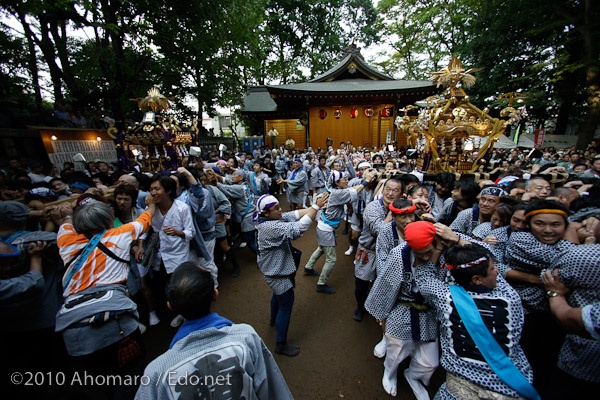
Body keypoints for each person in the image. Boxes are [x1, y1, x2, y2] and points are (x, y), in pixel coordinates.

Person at [136, 262, 294, 399]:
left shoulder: (156, 372)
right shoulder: (245, 338)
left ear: (170, 307)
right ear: (215, 295)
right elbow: (275, 392)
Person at [55, 197, 156, 399]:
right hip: (113, 319)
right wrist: (151, 204)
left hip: (74, 325)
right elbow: (146, 219)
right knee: (131, 375)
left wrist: (68, 213)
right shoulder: (120, 235)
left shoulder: (65, 239)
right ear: (110, 220)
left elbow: (65, 223)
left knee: (102, 378)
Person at [415, 242, 536, 400]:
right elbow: (486, 256)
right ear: (477, 279)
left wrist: (438, 248)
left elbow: (424, 279)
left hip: (455, 394)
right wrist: (455, 238)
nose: (497, 271)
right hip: (509, 390)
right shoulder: (510, 298)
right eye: (493, 268)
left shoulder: (445, 299)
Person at [365, 221, 441, 398]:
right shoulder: (400, 254)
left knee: (430, 363)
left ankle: (413, 376)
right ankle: (389, 374)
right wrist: (382, 315)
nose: (426, 257)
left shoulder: (444, 253)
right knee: (396, 350)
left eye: (429, 252)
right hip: (403, 308)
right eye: (420, 254)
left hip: (430, 312)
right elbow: (387, 285)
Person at [255, 193, 329, 356]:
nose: (281, 210)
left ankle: (273, 320)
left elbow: (294, 214)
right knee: (286, 305)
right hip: (277, 274)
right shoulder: (270, 227)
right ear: (266, 213)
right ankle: (280, 344)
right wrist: (315, 207)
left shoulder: (269, 219)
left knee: (278, 297)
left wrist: (314, 207)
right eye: (276, 208)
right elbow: (298, 229)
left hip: (274, 271)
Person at [303, 170, 364, 294]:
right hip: (326, 230)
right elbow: (354, 191)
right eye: (344, 179)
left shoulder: (331, 190)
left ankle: (308, 267)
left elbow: (352, 189)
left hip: (322, 227)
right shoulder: (336, 193)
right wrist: (367, 181)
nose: (347, 181)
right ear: (337, 182)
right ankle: (321, 283)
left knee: (321, 248)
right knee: (331, 259)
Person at [353, 177, 403, 322]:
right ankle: (360, 307)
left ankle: (379, 310)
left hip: (389, 255)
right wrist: (392, 213)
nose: (390, 193)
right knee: (361, 285)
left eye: (395, 190)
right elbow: (379, 230)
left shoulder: (404, 208)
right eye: (388, 189)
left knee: (384, 285)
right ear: (382, 190)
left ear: (401, 194)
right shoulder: (373, 207)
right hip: (369, 252)